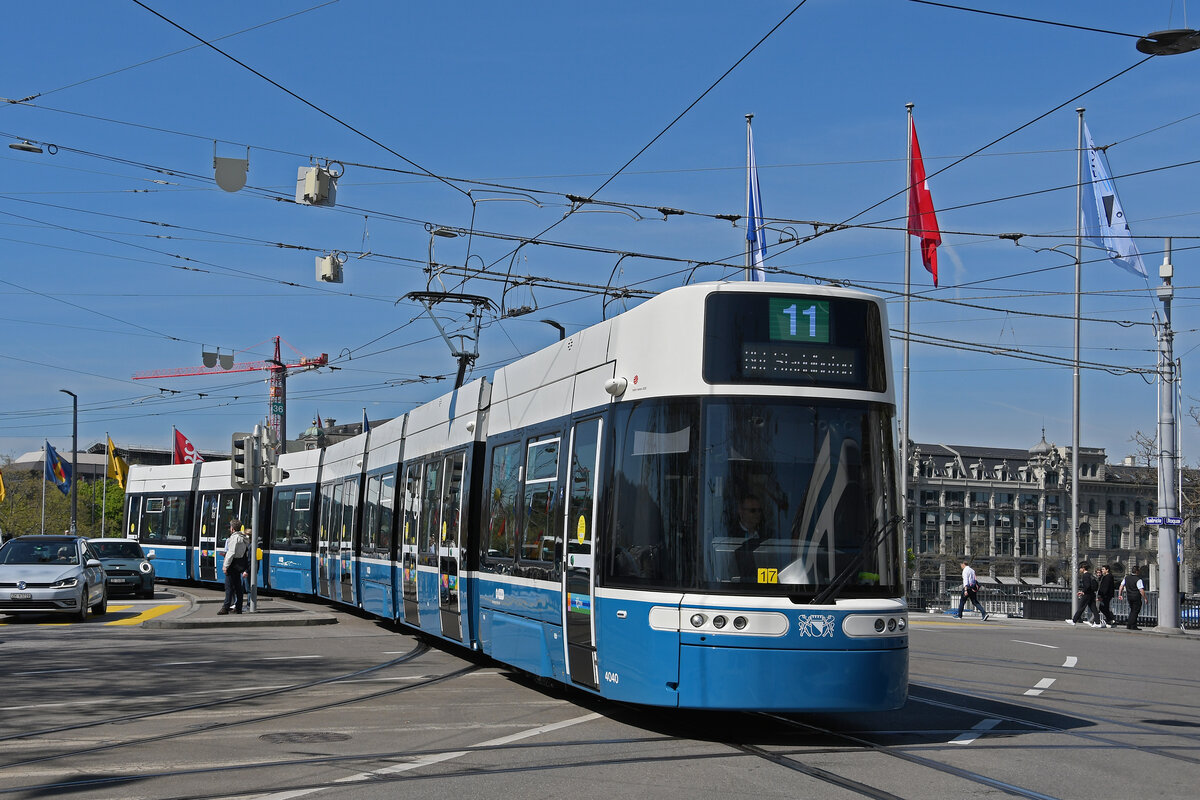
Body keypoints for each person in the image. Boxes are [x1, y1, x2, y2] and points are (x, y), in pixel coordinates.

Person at [220, 521, 250, 615]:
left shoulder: (234, 538)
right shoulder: (244, 538)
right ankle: (238, 607)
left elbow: (231, 553)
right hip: (240, 564)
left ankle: (225, 607)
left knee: (229, 587)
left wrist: (225, 566)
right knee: (238, 587)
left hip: (232, 565)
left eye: (230, 527)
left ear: (232, 528)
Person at [1069, 561, 1099, 626]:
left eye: (1080, 568)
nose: (1079, 569)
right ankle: (1097, 622)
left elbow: (1087, 586)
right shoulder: (1090, 575)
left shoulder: (1085, 576)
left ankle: (1074, 620)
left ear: (1083, 568)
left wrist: (1083, 591)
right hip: (1091, 594)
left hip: (1087, 594)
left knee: (1081, 607)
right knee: (1093, 608)